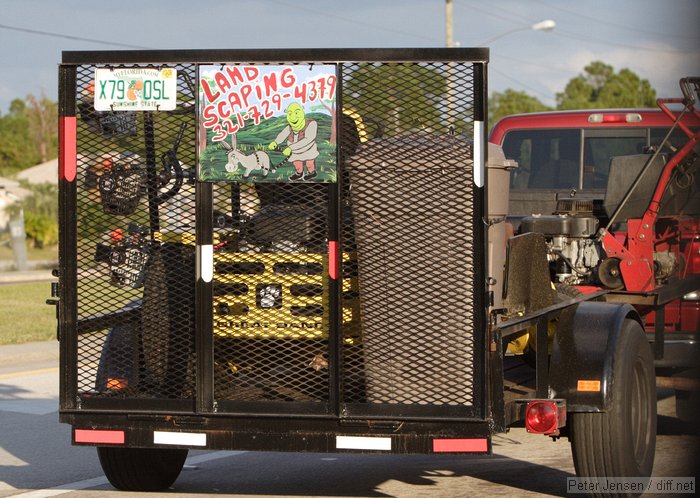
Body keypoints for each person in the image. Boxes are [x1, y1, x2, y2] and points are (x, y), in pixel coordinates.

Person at [268, 103, 319, 181]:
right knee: (297, 164)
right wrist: (275, 142)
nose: (293, 117)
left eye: (296, 113)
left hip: (308, 148)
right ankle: (299, 173)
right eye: (290, 114)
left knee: (309, 164)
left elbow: (308, 139)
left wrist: (290, 148)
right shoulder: (290, 127)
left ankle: (312, 172)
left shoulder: (311, 124)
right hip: (294, 151)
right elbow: (283, 134)